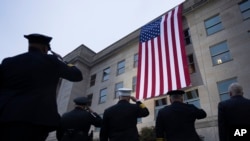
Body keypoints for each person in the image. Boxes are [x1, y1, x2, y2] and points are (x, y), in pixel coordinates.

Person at [0, 33, 83, 141]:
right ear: (45, 48)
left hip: (5, 118)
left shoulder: (7, 62)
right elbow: (77, 75)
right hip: (35, 120)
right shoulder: (51, 60)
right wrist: (63, 61)